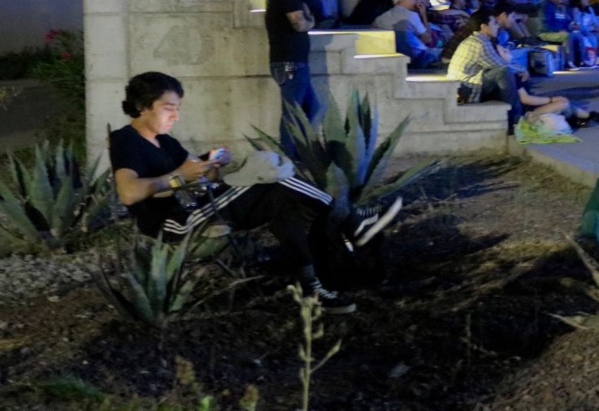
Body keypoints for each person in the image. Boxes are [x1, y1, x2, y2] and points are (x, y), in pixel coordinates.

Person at [109, 72, 403, 314]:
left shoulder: (166, 141)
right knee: (267, 171)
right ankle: (351, 219)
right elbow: (128, 193)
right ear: (143, 106)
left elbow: (199, 173)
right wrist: (177, 179)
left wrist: (212, 163)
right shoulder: (127, 141)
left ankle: (313, 286)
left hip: (202, 204)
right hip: (176, 223)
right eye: (168, 107)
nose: (175, 115)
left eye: (178, 108)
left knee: (281, 198)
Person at [264, 0, 321, 154]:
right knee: (293, 113)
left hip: (291, 63)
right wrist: (311, 20)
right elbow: (299, 25)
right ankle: (288, 159)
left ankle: (297, 154)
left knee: (311, 107)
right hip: (291, 64)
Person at [447, 10, 526, 134]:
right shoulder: (479, 44)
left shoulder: (479, 40)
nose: (497, 26)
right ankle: (514, 121)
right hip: (467, 88)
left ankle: (517, 116)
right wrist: (523, 70)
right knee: (503, 73)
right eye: (494, 23)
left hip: (469, 83)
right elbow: (499, 65)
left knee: (505, 75)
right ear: (483, 27)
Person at [372, 0, 441, 68]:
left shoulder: (381, 18)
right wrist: (423, 15)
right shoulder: (411, 15)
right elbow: (428, 39)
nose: (415, 1)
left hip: (394, 55)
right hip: (418, 56)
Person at [570, 0, 599, 66]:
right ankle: (592, 58)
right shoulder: (576, 10)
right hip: (583, 31)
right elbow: (578, 25)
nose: (588, 0)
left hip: (591, 30)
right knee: (592, 37)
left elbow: (595, 22)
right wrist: (591, 29)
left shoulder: (590, 9)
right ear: (580, 0)